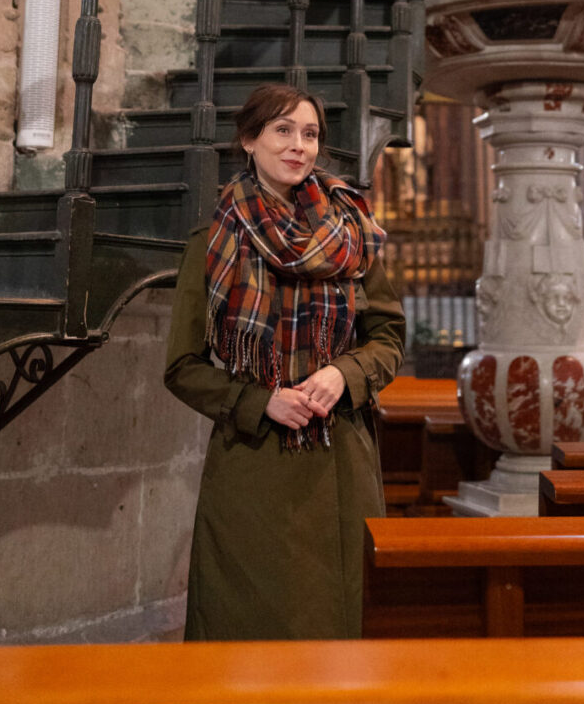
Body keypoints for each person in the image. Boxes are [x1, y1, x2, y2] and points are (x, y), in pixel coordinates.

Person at [164, 81, 405, 641]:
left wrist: (343, 374)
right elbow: (182, 366)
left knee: (342, 641)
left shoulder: (351, 238)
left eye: (311, 133)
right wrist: (260, 401)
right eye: (283, 130)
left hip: (340, 456)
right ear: (249, 140)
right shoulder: (212, 242)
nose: (300, 145)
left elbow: (388, 337)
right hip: (254, 464)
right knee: (246, 641)